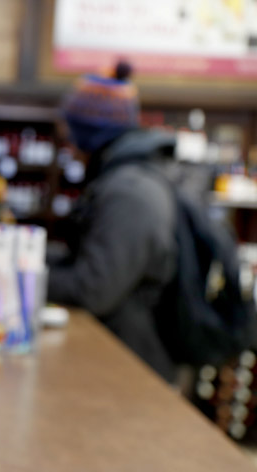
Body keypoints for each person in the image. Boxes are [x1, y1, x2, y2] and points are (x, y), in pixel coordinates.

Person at [48, 63, 179, 381]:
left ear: (89, 135)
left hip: (135, 371)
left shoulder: (130, 192)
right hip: (119, 358)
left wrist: (21, 276)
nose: (67, 144)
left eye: (71, 133)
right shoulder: (120, 180)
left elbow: (94, 289)